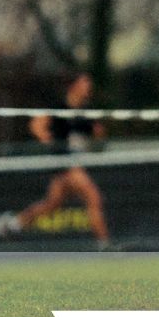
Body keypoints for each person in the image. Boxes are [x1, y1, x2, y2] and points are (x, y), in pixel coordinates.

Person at [16, 72, 110, 246]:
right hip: (66, 165)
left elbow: (97, 136)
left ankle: (15, 224)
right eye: (84, 84)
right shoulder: (59, 107)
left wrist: (98, 136)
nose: (88, 88)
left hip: (72, 165)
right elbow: (36, 125)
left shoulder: (85, 112)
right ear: (73, 85)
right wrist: (49, 141)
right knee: (93, 196)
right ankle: (104, 244)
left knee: (51, 205)